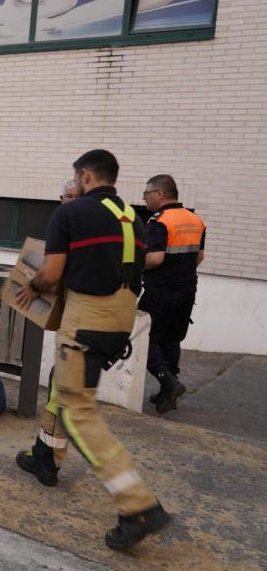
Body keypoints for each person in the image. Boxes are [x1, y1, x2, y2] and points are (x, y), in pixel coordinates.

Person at [13, 149, 170, 550]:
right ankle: (44, 457)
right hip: (121, 319)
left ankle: (138, 505)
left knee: (77, 410)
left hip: (85, 320)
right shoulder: (132, 216)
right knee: (62, 391)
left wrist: (29, 288)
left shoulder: (71, 213)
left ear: (84, 176)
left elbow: (50, 273)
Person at [139, 174, 206, 413]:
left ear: (159, 193)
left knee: (142, 337)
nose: (144, 198)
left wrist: (135, 263)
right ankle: (169, 394)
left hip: (161, 292)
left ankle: (168, 381)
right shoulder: (195, 220)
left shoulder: (160, 220)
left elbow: (155, 258)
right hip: (187, 290)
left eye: (146, 193)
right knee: (170, 340)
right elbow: (199, 257)